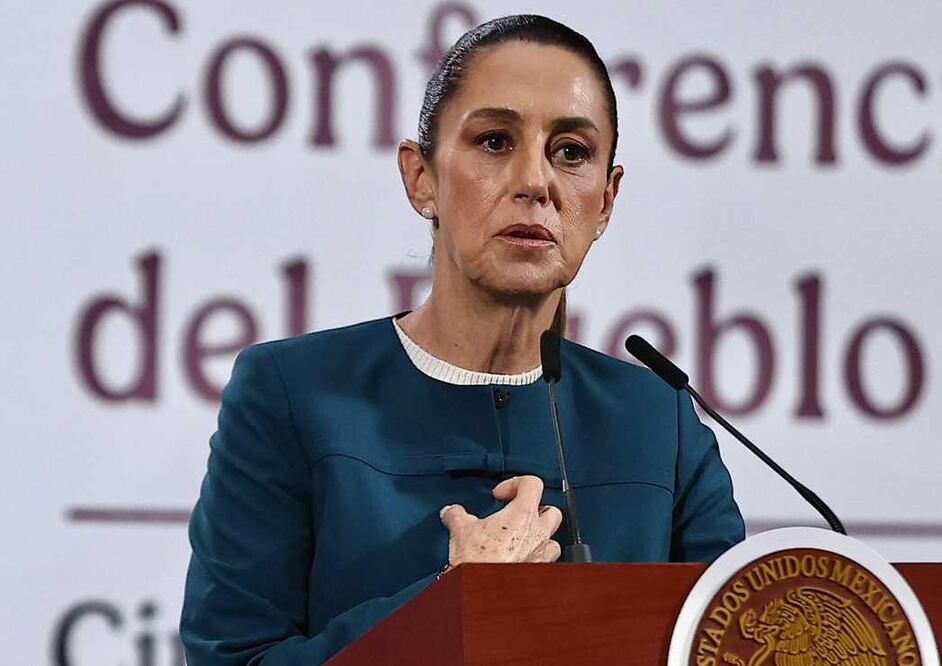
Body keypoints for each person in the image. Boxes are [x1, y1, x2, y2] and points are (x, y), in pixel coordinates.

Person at [180, 14, 744, 664]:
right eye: (495, 141)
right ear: (422, 178)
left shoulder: (658, 421)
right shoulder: (292, 395)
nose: (535, 183)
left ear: (607, 201)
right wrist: (455, 603)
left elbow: (727, 644)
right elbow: (234, 658)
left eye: (571, 153)